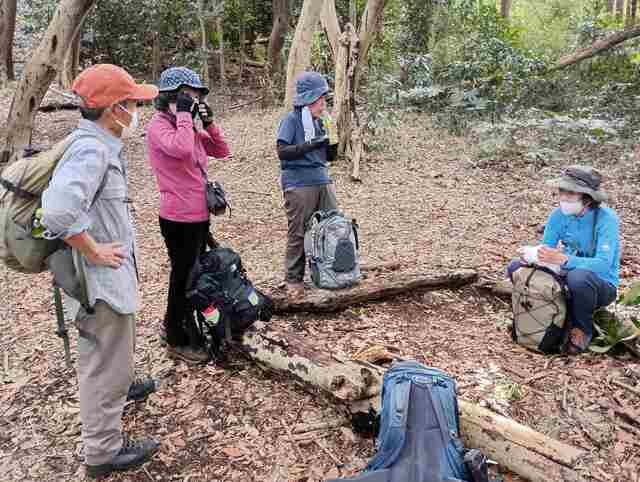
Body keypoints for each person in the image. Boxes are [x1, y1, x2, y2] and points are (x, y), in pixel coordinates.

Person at [41, 64, 160, 478]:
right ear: (114, 109)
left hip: (110, 281)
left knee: (113, 357)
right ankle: (103, 452)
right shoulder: (90, 150)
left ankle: (120, 389)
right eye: (132, 104)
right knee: (102, 364)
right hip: (100, 285)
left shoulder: (100, 144)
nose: (137, 111)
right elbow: (57, 212)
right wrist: (92, 251)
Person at [146, 67, 230, 363]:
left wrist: (209, 123)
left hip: (198, 214)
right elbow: (181, 150)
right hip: (178, 218)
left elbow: (221, 150)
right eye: (186, 97)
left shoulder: (187, 126)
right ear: (169, 98)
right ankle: (175, 338)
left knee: (194, 277)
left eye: (195, 98)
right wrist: (184, 115)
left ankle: (182, 324)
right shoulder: (158, 126)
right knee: (182, 279)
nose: (191, 103)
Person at [507, 166, 620, 354]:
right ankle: (533, 314)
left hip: (600, 284)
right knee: (516, 267)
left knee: (579, 278)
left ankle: (582, 329)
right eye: (562, 191)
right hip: (565, 275)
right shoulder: (558, 215)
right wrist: (533, 256)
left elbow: (603, 264)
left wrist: (564, 259)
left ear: (587, 197)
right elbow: (547, 249)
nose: (564, 197)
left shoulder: (606, 219)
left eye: (571, 192)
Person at [276, 72, 338, 297]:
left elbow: (330, 157)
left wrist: (332, 142)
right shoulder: (292, 120)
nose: (323, 103)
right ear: (309, 99)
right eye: (320, 98)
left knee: (332, 227)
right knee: (299, 232)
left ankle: (331, 273)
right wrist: (311, 144)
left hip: (322, 179)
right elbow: (282, 152)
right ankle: (293, 279)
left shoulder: (322, 121)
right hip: (298, 182)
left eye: (324, 98)